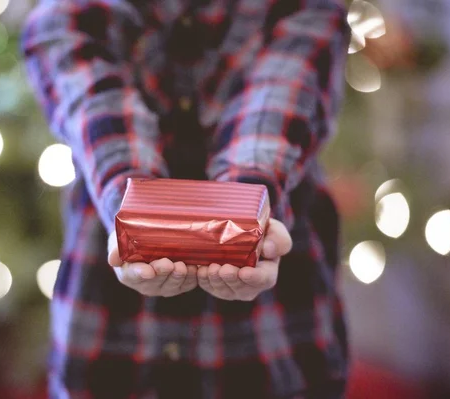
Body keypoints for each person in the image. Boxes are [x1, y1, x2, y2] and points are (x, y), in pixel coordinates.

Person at [22, 0, 350, 397]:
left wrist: (250, 207)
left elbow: (275, 109)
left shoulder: (304, 9)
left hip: (273, 338)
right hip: (109, 334)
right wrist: (130, 207)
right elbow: (99, 110)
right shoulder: (68, 14)